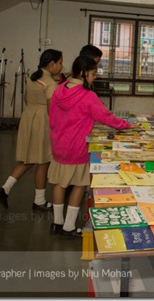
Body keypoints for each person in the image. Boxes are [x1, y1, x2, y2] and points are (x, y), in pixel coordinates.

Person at [48, 56, 131, 238]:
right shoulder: (87, 95)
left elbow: (52, 116)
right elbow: (106, 117)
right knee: (79, 184)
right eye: (93, 74)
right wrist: (125, 125)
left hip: (58, 144)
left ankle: (57, 223)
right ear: (84, 74)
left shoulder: (59, 90)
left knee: (60, 184)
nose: (94, 78)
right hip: (76, 147)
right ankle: (69, 227)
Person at [0, 49, 63, 211]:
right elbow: (51, 110)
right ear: (52, 64)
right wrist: (58, 128)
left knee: (28, 158)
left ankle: (5, 189)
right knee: (43, 161)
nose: (61, 66)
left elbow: (26, 98)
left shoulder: (32, 78)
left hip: (28, 116)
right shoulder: (51, 84)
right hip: (42, 120)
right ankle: (39, 201)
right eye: (59, 63)